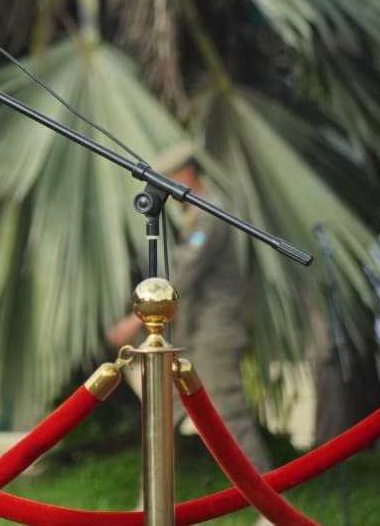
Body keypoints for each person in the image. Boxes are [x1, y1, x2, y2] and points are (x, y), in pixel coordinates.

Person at [105, 142, 269, 472]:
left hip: (213, 333)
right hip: (192, 332)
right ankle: (150, 503)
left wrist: (133, 322)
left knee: (229, 416)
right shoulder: (198, 214)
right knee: (161, 415)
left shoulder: (208, 214)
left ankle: (270, 502)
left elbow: (185, 273)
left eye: (167, 180)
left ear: (186, 174)